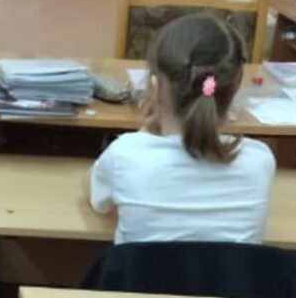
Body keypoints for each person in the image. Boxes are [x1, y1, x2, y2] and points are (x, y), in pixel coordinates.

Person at [88, 13, 275, 244]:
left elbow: (98, 199)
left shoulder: (125, 155)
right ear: (235, 89)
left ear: (155, 88)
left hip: (146, 271)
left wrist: (145, 131)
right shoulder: (259, 160)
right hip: (230, 271)